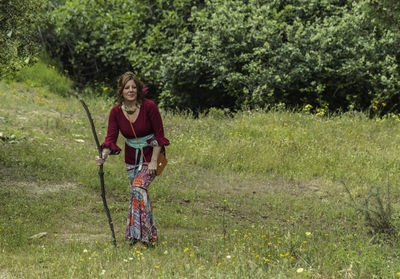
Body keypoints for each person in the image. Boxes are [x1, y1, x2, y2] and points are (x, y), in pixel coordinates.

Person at [96, 72, 169, 246]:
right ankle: (144, 236)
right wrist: (103, 156)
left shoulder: (149, 106)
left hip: (151, 155)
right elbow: (110, 138)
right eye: (127, 87)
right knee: (138, 194)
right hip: (131, 158)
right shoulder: (115, 112)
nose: (131, 90)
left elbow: (159, 135)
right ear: (121, 91)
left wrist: (153, 160)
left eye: (134, 87)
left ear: (139, 89)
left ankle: (141, 238)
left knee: (138, 188)